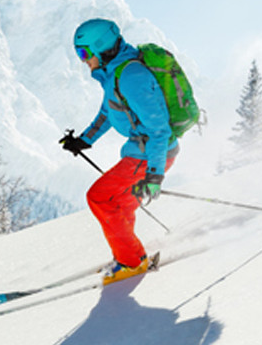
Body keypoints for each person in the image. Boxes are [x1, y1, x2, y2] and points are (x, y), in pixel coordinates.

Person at [60, 18, 178, 283]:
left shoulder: (132, 76)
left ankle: (131, 262)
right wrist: (84, 140)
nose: (82, 60)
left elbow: (159, 129)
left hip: (150, 154)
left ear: (101, 48)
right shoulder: (116, 73)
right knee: (122, 203)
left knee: (99, 197)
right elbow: (108, 112)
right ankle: (129, 254)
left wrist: (155, 175)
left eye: (84, 53)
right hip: (145, 152)